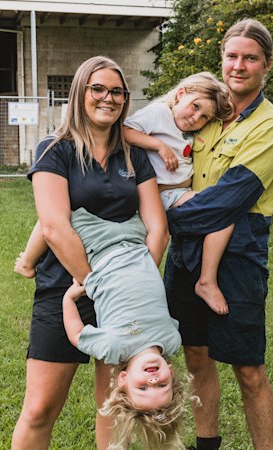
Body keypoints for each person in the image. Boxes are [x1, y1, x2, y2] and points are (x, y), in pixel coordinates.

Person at [11, 56, 169, 450]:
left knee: (112, 407)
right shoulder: (55, 150)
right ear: (79, 92)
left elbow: (158, 227)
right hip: (67, 289)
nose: (107, 98)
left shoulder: (135, 157)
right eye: (97, 88)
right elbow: (53, 226)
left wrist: (134, 284)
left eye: (116, 91)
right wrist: (96, 283)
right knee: (40, 408)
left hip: (127, 301)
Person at [163, 19, 273, 450]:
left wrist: (158, 218)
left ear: (266, 65)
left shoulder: (271, 128)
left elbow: (225, 203)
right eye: (232, 56)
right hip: (184, 254)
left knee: (248, 368)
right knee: (196, 357)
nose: (239, 66)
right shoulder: (205, 113)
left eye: (250, 58)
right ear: (222, 60)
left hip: (236, 255)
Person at [60, 207, 189, 449]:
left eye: (142, 387)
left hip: (99, 245)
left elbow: (77, 335)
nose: (153, 379)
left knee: (63, 211)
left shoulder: (114, 347)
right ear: (170, 373)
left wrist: (69, 300)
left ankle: (27, 260)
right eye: (162, 385)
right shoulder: (171, 339)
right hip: (134, 237)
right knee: (119, 192)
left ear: (123, 379)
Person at [122, 72, 235, 315]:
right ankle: (200, 282)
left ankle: (204, 280)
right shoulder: (159, 113)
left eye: (204, 116)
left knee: (222, 213)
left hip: (180, 193)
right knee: (221, 213)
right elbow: (124, 131)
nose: (196, 117)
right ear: (181, 94)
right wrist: (158, 146)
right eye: (195, 107)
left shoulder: (190, 130)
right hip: (161, 196)